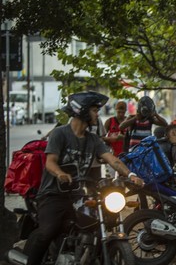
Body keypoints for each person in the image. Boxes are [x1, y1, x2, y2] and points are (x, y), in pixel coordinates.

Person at [24, 91, 144, 265]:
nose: (97, 114)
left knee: (94, 224)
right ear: (82, 111)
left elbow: (113, 160)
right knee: (48, 232)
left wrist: (131, 175)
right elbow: (50, 162)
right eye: (95, 110)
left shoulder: (93, 139)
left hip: (78, 195)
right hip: (53, 194)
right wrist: (60, 174)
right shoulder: (60, 134)